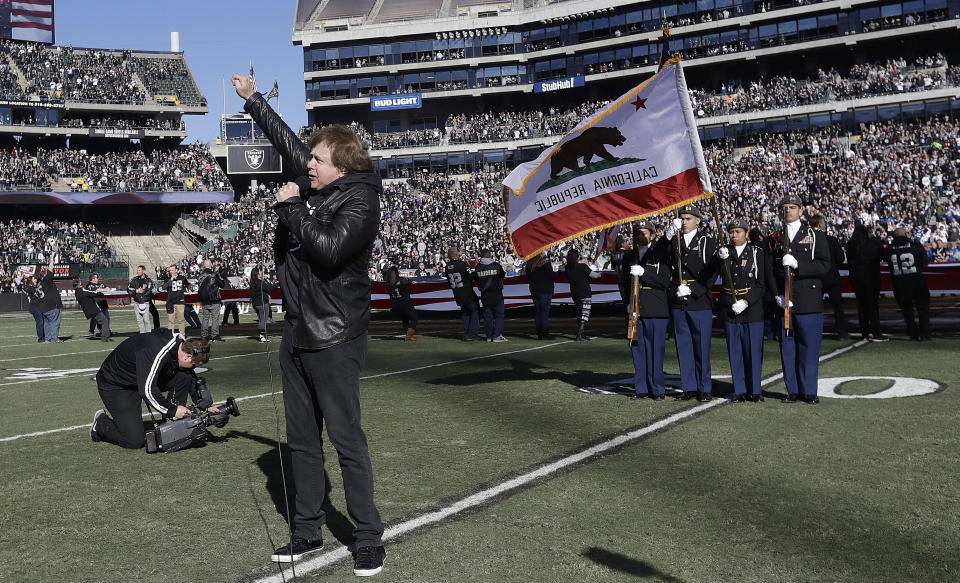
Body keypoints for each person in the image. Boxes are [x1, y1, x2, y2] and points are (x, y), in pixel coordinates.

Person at [235, 72, 386, 575]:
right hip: (298, 332)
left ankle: (367, 536)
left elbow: (326, 253)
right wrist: (254, 101)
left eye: (317, 161)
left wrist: (292, 206)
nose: (307, 166)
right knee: (301, 440)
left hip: (335, 336)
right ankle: (306, 530)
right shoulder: (325, 183)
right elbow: (290, 146)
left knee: (346, 441)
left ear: (341, 165)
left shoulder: (362, 199)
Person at [89, 330, 214, 449]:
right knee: (134, 441)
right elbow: (147, 390)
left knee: (183, 376)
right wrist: (172, 410)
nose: (192, 368)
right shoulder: (157, 351)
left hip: (140, 378)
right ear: (187, 356)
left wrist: (203, 404)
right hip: (117, 384)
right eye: (193, 364)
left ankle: (172, 423)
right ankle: (100, 424)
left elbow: (189, 375)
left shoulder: (180, 346)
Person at [767, 194, 830, 404]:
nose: (788, 211)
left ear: (801, 210)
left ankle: (809, 391)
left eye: (793, 207)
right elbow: (769, 271)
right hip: (784, 303)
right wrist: (776, 295)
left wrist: (799, 266)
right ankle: (792, 390)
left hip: (808, 300)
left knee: (809, 348)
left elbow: (824, 265)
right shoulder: (775, 237)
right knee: (788, 348)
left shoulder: (815, 235)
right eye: (784, 207)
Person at [664, 205, 718, 401]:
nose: (684, 222)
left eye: (688, 218)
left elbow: (712, 272)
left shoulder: (707, 242)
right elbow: (661, 256)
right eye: (682, 218)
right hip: (679, 300)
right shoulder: (674, 241)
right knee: (683, 345)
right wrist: (669, 232)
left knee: (701, 346)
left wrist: (694, 289)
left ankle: (704, 388)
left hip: (699, 302)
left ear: (698, 221)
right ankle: (689, 387)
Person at [716, 219, 766, 402]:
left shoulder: (756, 252)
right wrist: (717, 259)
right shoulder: (723, 253)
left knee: (753, 351)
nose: (734, 235)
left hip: (751, 308)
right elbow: (711, 275)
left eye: (738, 231)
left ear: (746, 232)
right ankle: (739, 390)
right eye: (731, 232)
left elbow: (761, 284)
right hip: (730, 306)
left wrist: (746, 301)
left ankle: (755, 390)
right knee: (735, 351)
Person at [625, 222, 671, 400]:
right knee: (637, 350)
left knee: (656, 351)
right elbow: (623, 282)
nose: (641, 237)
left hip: (656, 308)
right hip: (636, 308)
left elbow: (665, 280)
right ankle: (641, 388)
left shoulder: (661, 254)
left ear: (652, 235)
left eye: (644, 233)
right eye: (637, 234)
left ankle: (658, 389)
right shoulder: (629, 256)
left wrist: (644, 272)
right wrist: (626, 304)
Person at [882, 226, 931, 341]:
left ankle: (913, 334)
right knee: (923, 308)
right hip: (917, 281)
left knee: (907, 310)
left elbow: (887, 262)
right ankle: (925, 334)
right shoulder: (916, 246)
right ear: (906, 234)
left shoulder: (889, 249)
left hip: (899, 283)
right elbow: (925, 263)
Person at [809, 216, 848, 339]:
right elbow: (840, 258)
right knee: (837, 306)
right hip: (831, 276)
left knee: (814, 306)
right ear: (820, 225)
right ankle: (841, 332)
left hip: (816, 277)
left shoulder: (809, 240)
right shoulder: (831, 239)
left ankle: (814, 333)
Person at [846, 224, 886, 341]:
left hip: (856, 278)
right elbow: (880, 255)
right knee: (872, 305)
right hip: (870, 277)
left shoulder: (851, 245)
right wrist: (873, 239)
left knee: (861, 305)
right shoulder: (871, 244)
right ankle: (876, 332)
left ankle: (864, 333)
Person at [444, 247, 480, 341]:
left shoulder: (447, 267)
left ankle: (466, 334)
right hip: (467, 292)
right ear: (456, 254)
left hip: (457, 292)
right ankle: (472, 334)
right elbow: (471, 276)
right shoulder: (462, 264)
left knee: (465, 312)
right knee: (474, 311)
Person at [565, 248, 601, 341]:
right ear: (578, 257)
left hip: (574, 293)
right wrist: (601, 274)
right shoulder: (582, 266)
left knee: (579, 313)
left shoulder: (567, 268)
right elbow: (595, 276)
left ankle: (582, 333)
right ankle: (580, 334)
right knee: (584, 314)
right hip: (585, 293)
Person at [474, 249, 507, 342]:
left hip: (485, 295)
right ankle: (496, 335)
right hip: (497, 294)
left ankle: (489, 336)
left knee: (488, 316)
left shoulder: (478, 267)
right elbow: (502, 276)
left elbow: (475, 279)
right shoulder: (496, 265)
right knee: (499, 315)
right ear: (489, 255)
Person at [526, 252, 556, 340]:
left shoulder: (530, 265)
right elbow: (553, 276)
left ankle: (539, 333)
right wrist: (558, 272)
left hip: (534, 290)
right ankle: (545, 333)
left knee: (538, 312)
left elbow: (527, 277)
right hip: (545, 290)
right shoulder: (546, 264)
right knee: (544, 313)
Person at [383, 265, 419, 341]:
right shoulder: (401, 280)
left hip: (396, 304)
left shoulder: (388, 284)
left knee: (405, 319)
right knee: (414, 318)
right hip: (405, 303)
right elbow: (410, 281)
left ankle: (408, 335)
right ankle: (408, 337)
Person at [34, 256, 63, 343]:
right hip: (52, 306)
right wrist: (51, 259)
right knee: (55, 322)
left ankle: (47, 338)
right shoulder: (47, 280)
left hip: (43, 307)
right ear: (45, 276)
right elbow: (50, 269)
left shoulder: (39, 284)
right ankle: (54, 338)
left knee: (47, 323)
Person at [77, 273, 112, 342]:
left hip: (103, 304)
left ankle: (106, 332)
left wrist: (104, 289)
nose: (98, 279)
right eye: (97, 277)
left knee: (106, 319)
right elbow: (95, 291)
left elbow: (107, 288)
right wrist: (102, 290)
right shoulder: (89, 285)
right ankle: (91, 332)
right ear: (93, 279)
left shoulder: (100, 284)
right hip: (96, 305)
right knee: (95, 320)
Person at [198, 259, 226, 342]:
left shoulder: (200, 276)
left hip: (204, 300)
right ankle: (215, 336)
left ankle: (203, 336)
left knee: (205, 319)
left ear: (204, 266)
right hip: (214, 299)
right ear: (210, 266)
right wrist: (221, 277)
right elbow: (222, 285)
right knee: (215, 318)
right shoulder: (213, 275)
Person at [249, 266, 276, 343]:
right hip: (262, 303)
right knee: (263, 320)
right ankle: (262, 335)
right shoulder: (260, 282)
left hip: (255, 304)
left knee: (261, 319)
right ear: (257, 273)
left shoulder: (252, 282)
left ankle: (262, 335)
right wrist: (279, 282)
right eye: (260, 271)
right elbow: (271, 287)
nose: (261, 272)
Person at [163, 264, 189, 337]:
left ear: (176, 270)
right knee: (171, 320)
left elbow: (188, 284)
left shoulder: (182, 277)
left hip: (180, 301)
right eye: (170, 270)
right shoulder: (167, 278)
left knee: (181, 320)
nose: (171, 271)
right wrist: (170, 280)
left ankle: (182, 335)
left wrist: (189, 288)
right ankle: (170, 336)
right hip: (170, 302)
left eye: (172, 270)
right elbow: (163, 287)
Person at [128, 265, 154, 333]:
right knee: (139, 320)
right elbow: (129, 289)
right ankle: (142, 334)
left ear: (143, 271)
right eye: (138, 270)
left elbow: (150, 290)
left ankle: (148, 334)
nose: (138, 271)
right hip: (137, 302)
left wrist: (142, 293)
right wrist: (137, 291)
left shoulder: (148, 280)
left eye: (139, 270)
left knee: (146, 319)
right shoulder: (134, 280)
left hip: (145, 302)